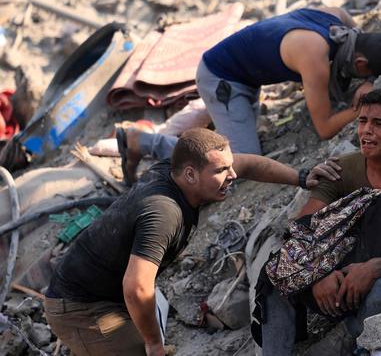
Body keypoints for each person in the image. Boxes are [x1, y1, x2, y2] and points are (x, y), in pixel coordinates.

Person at [44, 128, 339, 356]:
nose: (232, 175)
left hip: (107, 292)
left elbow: (246, 165)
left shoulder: (176, 169)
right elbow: (136, 288)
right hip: (81, 307)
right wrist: (153, 343)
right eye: (221, 171)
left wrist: (301, 177)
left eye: (229, 166)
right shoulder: (164, 213)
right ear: (190, 174)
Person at [259, 89, 381, 355]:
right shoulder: (341, 169)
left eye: (379, 124)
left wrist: (374, 268)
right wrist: (319, 274)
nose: (366, 131)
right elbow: (300, 233)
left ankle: (350, 341)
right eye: (362, 121)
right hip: (339, 270)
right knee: (276, 275)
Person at [118, 6, 381, 185]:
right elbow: (325, 128)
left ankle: (220, 120)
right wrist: (359, 107)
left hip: (245, 71)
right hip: (222, 78)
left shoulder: (338, 18)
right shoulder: (314, 58)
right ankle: (141, 141)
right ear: (362, 63)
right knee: (238, 163)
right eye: (365, 75)